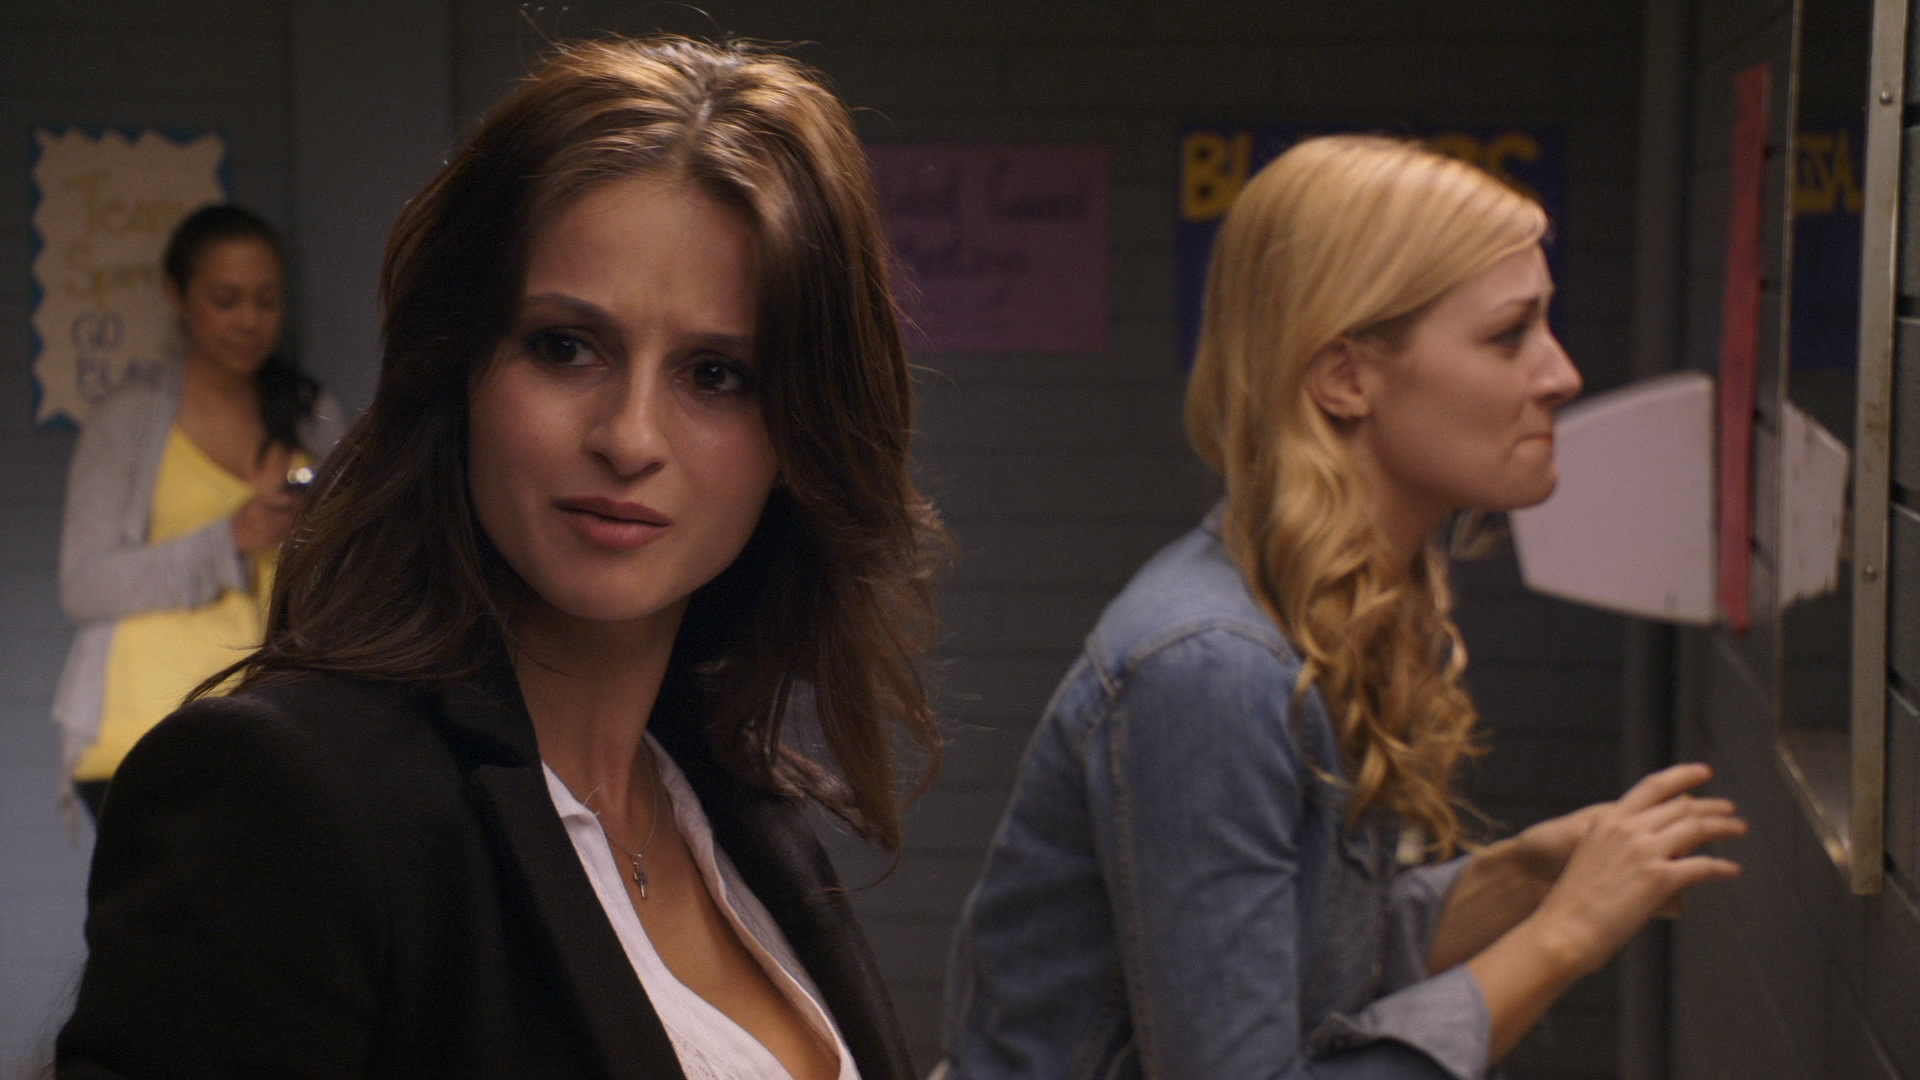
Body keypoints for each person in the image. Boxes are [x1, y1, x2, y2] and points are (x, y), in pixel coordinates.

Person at [57, 35, 941, 1079]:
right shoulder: (284, 798)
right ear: (459, 364)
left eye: (716, 374)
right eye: (566, 347)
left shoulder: (736, 806)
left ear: (800, 435)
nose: (630, 438)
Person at [941, 135, 1746, 1079]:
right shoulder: (1214, 668)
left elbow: (1312, 956)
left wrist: (1519, 879)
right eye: (1508, 335)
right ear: (1345, 378)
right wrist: (1562, 937)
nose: (1561, 375)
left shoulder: (1317, 615)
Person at [52, 203, 346, 822]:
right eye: (226, 299)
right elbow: (84, 585)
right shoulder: (128, 419)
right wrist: (231, 539)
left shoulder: (311, 413)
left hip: (279, 726)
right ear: (178, 296)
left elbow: (358, 563)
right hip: (143, 728)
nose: (249, 321)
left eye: (267, 300)